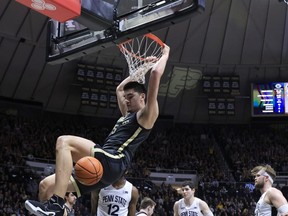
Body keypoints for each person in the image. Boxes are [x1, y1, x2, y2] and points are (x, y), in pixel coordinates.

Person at [25, 43, 170, 216]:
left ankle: (56, 204)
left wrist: (165, 55)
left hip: (114, 160)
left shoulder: (146, 116)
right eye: (126, 98)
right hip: (104, 170)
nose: (127, 101)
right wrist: (144, 66)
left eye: (131, 97)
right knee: (45, 186)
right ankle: (53, 209)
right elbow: (119, 89)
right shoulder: (126, 116)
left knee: (64, 142)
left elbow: (155, 74)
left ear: (143, 97)